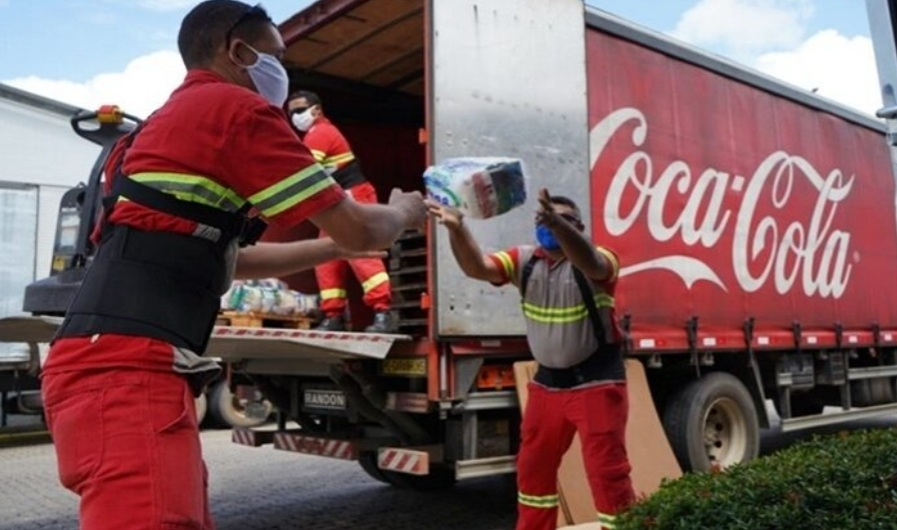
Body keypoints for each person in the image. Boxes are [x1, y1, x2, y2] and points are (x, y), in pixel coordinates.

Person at [39, 2, 426, 529]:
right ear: (239, 52)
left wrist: (336, 248)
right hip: (127, 374)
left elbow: (233, 259)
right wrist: (403, 213)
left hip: (116, 366)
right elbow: (360, 225)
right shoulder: (234, 111)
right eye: (277, 56)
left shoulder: (161, 128)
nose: (283, 74)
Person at [427, 189, 635, 530]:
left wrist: (560, 226)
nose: (550, 224)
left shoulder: (599, 259)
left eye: (564, 220)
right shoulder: (525, 261)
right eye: (544, 218)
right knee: (533, 471)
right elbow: (477, 267)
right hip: (548, 384)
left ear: (580, 227)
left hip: (597, 383)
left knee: (607, 472)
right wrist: (457, 228)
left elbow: (591, 263)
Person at [287, 90, 396, 332]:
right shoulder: (315, 135)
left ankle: (384, 313)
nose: (296, 116)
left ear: (316, 110)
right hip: (338, 202)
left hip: (354, 196)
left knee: (362, 254)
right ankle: (333, 315)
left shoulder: (320, 133)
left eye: (299, 110)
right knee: (326, 260)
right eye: (291, 112)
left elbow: (304, 173)